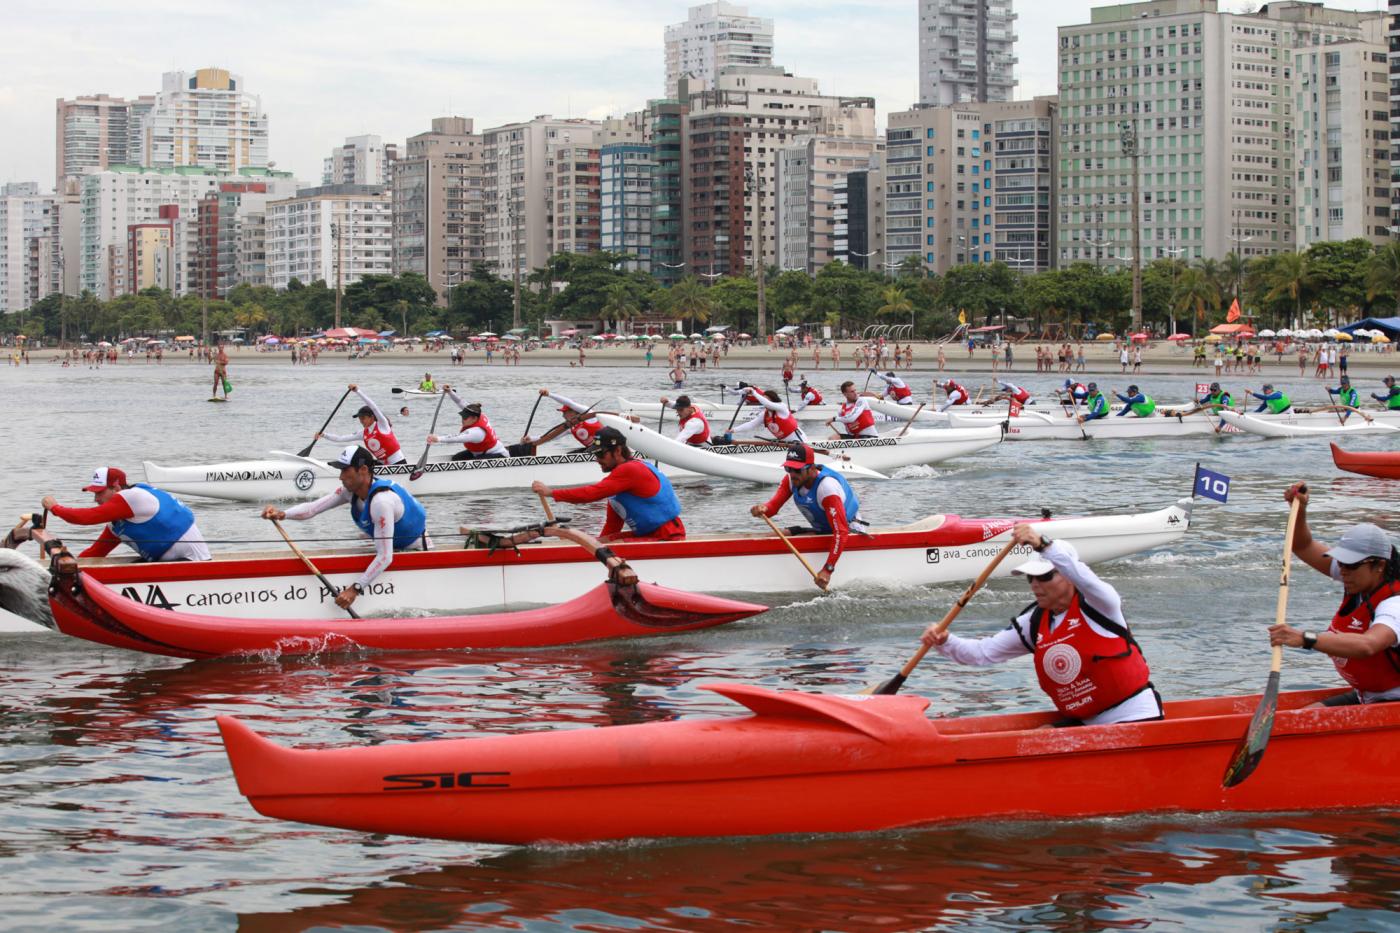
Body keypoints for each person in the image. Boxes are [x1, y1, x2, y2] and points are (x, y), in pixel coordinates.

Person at [920, 523, 1162, 725]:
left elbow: (1080, 573)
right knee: (1042, 733)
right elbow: (983, 653)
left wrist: (1042, 544)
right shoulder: (1034, 622)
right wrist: (945, 641)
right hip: (1085, 726)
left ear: (1068, 576)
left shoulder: (1101, 604)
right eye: (1030, 577)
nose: (1036, 584)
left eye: (1045, 576)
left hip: (1136, 717)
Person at [1267, 483, 1400, 705]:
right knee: (1302, 718)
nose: (1343, 571)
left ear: (1379, 566)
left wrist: (1305, 639)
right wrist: (1299, 509)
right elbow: (1302, 545)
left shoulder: (1394, 604)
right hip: (1367, 696)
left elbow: (1368, 645)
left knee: (1304, 727)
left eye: (1351, 565)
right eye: (1341, 562)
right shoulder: (1358, 576)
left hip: (1393, 703)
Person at [261, 446, 430, 611]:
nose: (341, 477)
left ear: (363, 470)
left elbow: (385, 557)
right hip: (395, 550)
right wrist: (282, 514)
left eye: (345, 470)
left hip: (419, 554)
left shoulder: (381, 502)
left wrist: (354, 590)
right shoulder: (349, 491)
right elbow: (312, 509)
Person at [532, 427, 685, 542]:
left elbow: (591, 493)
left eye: (600, 454)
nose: (597, 459)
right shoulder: (617, 484)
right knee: (603, 542)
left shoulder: (631, 469)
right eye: (595, 454)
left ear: (617, 451)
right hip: (650, 535)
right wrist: (595, 548)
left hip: (669, 536)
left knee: (610, 545)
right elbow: (612, 528)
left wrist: (551, 493)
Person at [750, 443, 864, 591]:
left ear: (811, 469)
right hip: (826, 529)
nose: (792, 474)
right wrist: (762, 509)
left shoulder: (827, 488)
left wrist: (828, 569)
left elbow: (841, 532)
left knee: (791, 537)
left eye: (796, 469)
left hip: (849, 531)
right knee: (772, 536)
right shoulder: (791, 480)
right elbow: (772, 508)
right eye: (788, 468)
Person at [42, 467, 210, 562]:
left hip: (194, 564)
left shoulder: (134, 497)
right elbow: (95, 553)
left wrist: (55, 508)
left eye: (99, 493)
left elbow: (87, 517)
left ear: (116, 489)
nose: (96, 499)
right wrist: (66, 565)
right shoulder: (118, 523)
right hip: (171, 564)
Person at [318, 385, 408, 465]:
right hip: (382, 465)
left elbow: (373, 407)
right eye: (360, 419)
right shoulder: (363, 434)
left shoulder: (382, 424)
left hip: (398, 463)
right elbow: (340, 438)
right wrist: (324, 435)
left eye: (363, 418)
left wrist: (358, 391)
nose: (361, 421)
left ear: (372, 417)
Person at [428, 400, 509, 459]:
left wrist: (437, 439)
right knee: (456, 458)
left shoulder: (477, 432)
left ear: (474, 418)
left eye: (465, 417)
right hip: (481, 453)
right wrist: (450, 392)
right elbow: (460, 402)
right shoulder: (478, 414)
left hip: (499, 455)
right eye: (462, 416)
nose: (463, 419)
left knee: (475, 462)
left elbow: (457, 438)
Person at [524, 389, 604, 449]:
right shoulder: (570, 427)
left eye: (565, 413)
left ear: (573, 411)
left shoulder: (590, 415)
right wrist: (531, 438)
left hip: (608, 449)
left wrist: (549, 394)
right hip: (595, 451)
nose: (563, 416)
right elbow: (552, 437)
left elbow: (570, 403)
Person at [730, 387, 806, 443]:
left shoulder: (782, 407)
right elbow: (751, 425)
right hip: (785, 443)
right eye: (763, 399)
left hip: (799, 440)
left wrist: (754, 393)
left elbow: (767, 403)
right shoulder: (764, 415)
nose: (763, 402)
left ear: (773, 400)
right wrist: (733, 430)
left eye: (766, 399)